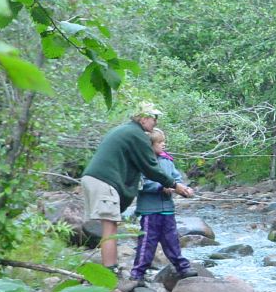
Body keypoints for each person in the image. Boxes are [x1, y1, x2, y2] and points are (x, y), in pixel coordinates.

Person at [81, 101, 193, 273]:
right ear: (142, 118)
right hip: (102, 180)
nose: (156, 121)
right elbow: (150, 168)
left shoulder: (127, 131)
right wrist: (175, 185)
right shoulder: (137, 135)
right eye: (152, 117)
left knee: (110, 224)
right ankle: (110, 272)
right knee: (110, 226)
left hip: (95, 179)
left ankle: (110, 270)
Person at [130, 128, 197, 284]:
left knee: (172, 241)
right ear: (149, 146)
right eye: (160, 142)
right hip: (149, 211)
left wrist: (184, 189)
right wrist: (160, 187)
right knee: (147, 243)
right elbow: (141, 184)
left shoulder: (167, 161)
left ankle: (183, 268)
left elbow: (176, 179)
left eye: (163, 141)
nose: (163, 145)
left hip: (167, 210)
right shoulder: (142, 163)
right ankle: (137, 274)